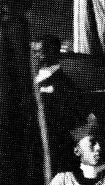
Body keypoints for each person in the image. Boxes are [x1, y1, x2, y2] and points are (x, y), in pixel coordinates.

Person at [31, 34, 84, 175]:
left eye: (39, 52)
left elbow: (72, 121)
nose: (35, 56)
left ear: (53, 53)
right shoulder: (33, 80)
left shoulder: (64, 84)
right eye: (34, 52)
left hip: (55, 150)